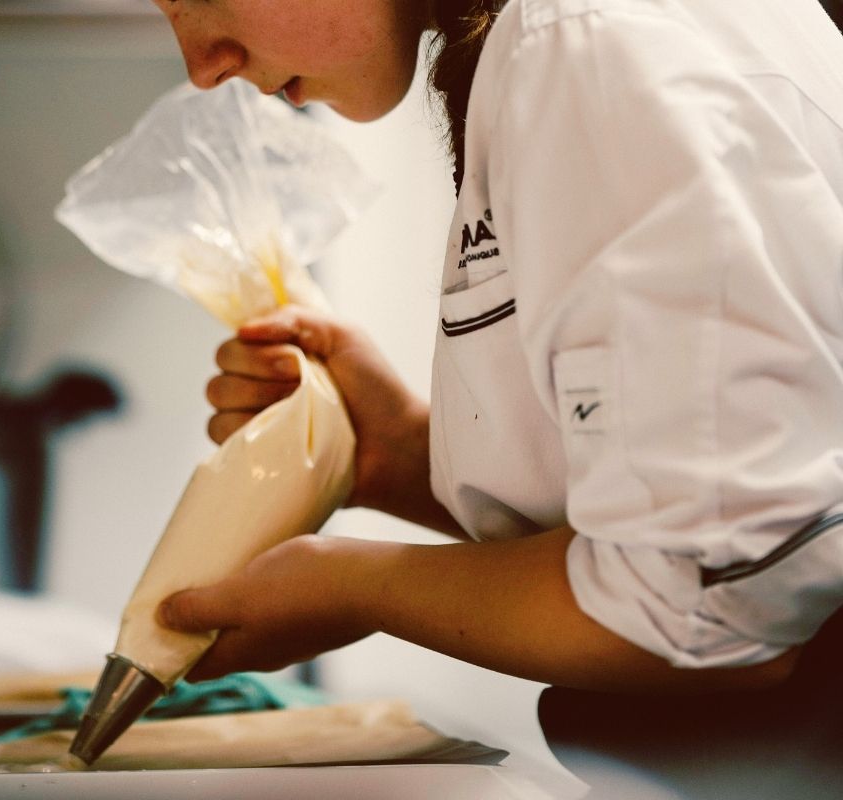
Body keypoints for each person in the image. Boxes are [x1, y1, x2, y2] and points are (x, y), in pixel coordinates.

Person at [148, 0, 843, 700]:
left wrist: (350, 587)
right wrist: (394, 454)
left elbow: (706, 602)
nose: (202, 68)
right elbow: (684, 506)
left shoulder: (585, 41)